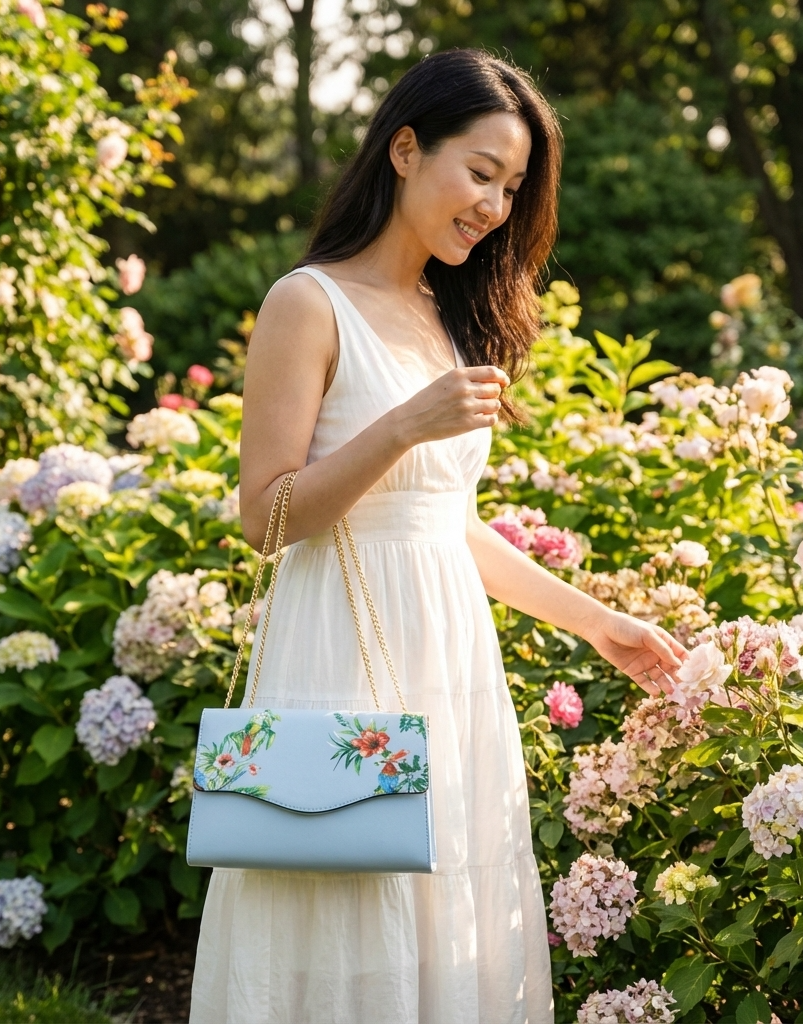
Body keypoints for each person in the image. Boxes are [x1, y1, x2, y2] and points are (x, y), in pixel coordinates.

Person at [188, 48, 688, 1024]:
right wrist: (405, 424)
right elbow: (266, 515)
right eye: (481, 172)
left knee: (446, 904)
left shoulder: (445, 318)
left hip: (449, 659)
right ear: (406, 149)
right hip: (340, 655)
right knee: (337, 893)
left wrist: (596, 624)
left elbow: (446, 527)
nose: (494, 206)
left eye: (511, 187)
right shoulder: (308, 302)